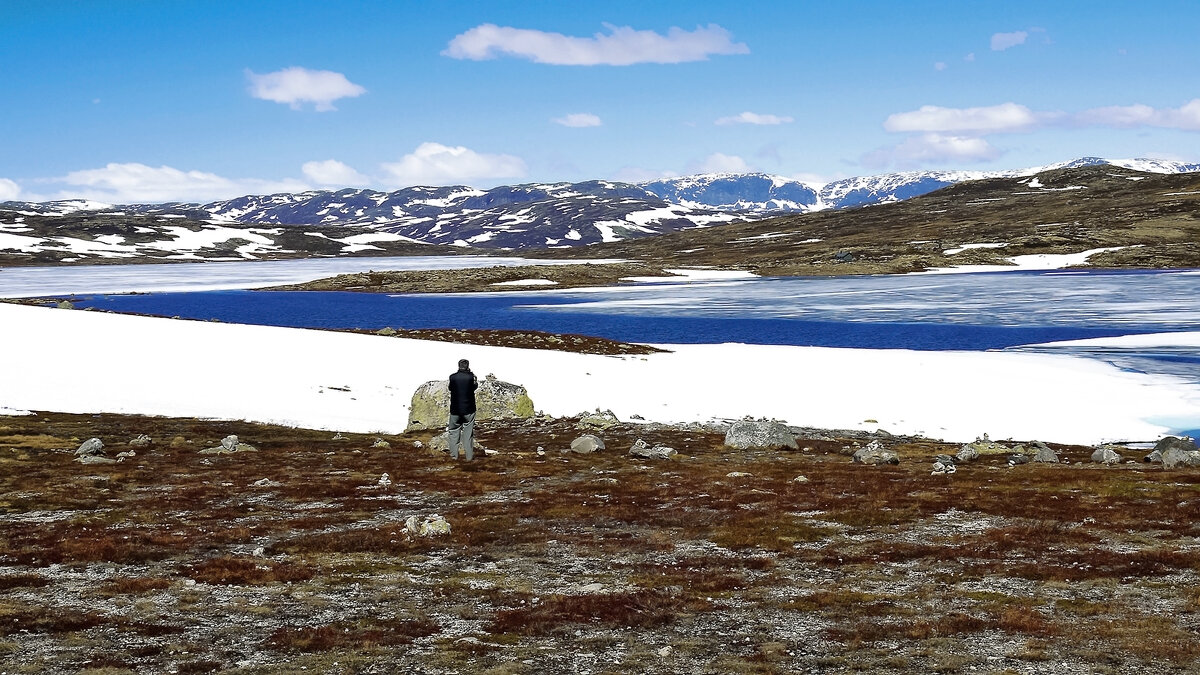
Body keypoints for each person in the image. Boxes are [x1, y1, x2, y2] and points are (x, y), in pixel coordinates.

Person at [447, 358, 479, 461]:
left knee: (453, 432)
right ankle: (469, 457)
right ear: (467, 366)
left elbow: (450, 388)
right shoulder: (471, 377)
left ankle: (453, 456)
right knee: (468, 433)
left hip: (455, 410)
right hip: (469, 409)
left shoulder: (452, 377)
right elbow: (474, 387)